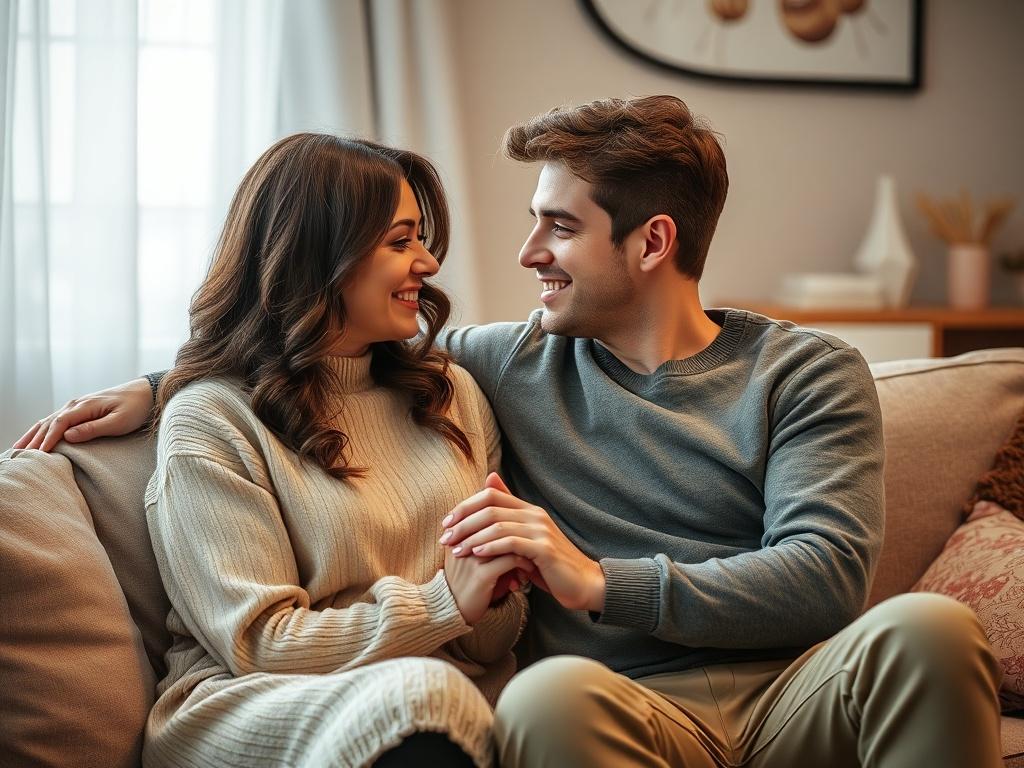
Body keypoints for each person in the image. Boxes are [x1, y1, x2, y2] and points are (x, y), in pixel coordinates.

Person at [17, 97, 1002, 767]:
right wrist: (165, 385)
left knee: (929, 627)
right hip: (612, 706)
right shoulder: (491, 368)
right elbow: (303, 344)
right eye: (534, 223)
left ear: (651, 241)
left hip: (797, 689)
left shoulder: (804, 370)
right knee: (541, 699)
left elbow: (822, 575)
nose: (525, 252)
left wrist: (596, 580)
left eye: (558, 228)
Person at [47, 133, 534, 768]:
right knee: (428, 694)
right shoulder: (213, 419)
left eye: (420, 238)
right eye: (400, 240)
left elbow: (490, 640)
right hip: (259, 701)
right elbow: (259, 642)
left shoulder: (451, 394)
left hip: (443, 707)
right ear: (318, 258)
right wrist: (445, 604)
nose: (428, 263)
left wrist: (495, 591)